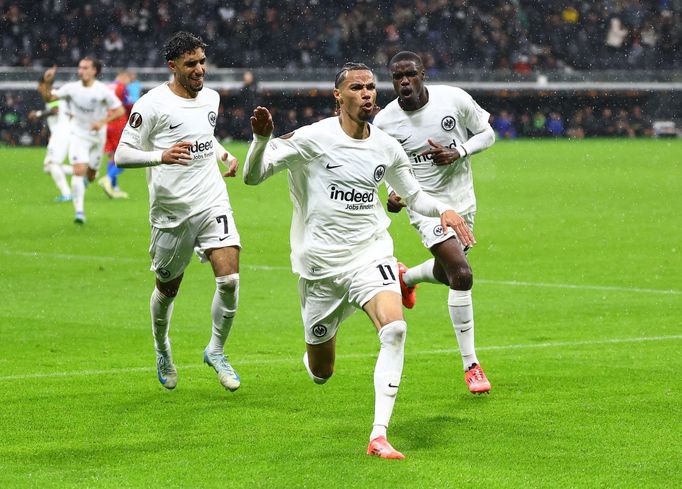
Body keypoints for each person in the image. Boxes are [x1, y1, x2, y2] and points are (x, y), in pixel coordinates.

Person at [243, 62, 476, 459]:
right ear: (339, 95)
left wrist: (444, 211)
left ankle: (379, 435)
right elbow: (252, 176)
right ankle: (323, 338)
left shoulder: (386, 145)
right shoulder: (313, 138)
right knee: (322, 372)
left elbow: (414, 195)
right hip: (319, 267)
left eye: (370, 87)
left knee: (395, 331)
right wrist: (260, 140)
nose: (367, 93)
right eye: (357, 87)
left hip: (371, 253)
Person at [114, 31, 242, 393]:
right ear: (173, 66)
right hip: (171, 213)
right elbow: (121, 155)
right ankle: (162, 348)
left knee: (229, 280)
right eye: (191, 64)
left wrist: (223, 155)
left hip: (211, 200)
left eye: (202, 61)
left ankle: (216, 350)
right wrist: (161, 155)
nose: (200, 69)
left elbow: (204, 136)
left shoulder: (211, 98)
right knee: (168, 288)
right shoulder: (151, 105)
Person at [372, 51, 496, 395]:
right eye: (397, 77)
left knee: (446, 272)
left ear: (422, 73)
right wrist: (394, 194)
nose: (404, 82)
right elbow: (382, 167)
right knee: (462, 274)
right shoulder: (385, 123)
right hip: (425, 206)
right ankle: (471, 365)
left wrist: (459, 152)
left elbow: (487, 134)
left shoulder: (452, 98)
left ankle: (406, 277)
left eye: (410, 75)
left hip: (463, 201)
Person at [38, 58, 125, 224]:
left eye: (85, 68)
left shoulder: (102, 91)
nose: (81, 71)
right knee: (78, 170)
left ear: (94, 71)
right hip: (78, 135)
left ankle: (84, 183)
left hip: (98, 137)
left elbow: (120, 110)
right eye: (80, 67)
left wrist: (102, 122)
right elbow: (48, 98)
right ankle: (79, 212)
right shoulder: (71, 88)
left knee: (91, 175)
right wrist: (46, 82)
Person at [28, 98, 74, 202]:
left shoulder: (52, 96)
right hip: (63, 132)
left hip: (61, 134)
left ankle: (67, 194)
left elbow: (55, 110)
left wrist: (37, 114)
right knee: (49, 168)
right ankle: (81, 172)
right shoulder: (61, 97)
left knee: (51, 164)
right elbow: (70, 115)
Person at [99, 70, 133, 199]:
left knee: (113, 157)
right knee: (126, 157)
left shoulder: (106, 87)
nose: (129, 83)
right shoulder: (121, 87)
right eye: (129, 80)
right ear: (123, 76)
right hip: (118, 123)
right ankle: (108, 178)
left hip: (107, 123)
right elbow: (128, 104)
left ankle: (113, 188)